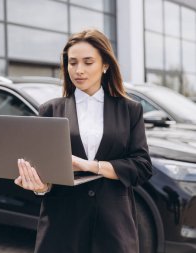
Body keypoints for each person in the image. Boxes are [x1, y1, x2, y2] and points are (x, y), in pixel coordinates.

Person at [14, 29, 152, 253]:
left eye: (88, 62)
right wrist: (40, 186)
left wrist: (90, 166)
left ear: (105, 64)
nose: (79, 70)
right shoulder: (50, 110)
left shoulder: (130, 109)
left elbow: (142, 166)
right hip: (62, 227)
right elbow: (44, 168)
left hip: (113, 227)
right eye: (72, 62)